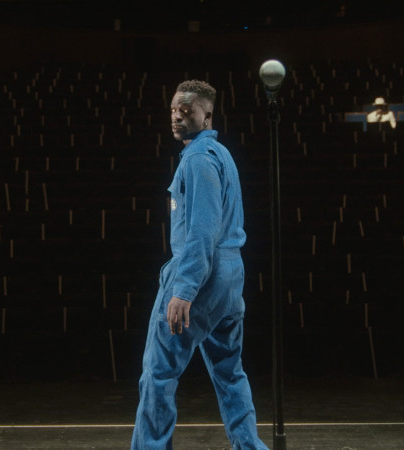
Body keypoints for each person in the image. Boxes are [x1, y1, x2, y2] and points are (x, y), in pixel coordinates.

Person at [131, 80, 268, 450]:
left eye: (186, 110)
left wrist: (184, 290)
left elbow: (203, 231)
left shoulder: (198, 159)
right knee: (230, 372)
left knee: (158, 374)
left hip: (201, 275)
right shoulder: (221, 154)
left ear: (207, 115)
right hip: (230, 278)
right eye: (174, 109)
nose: (177, 116)